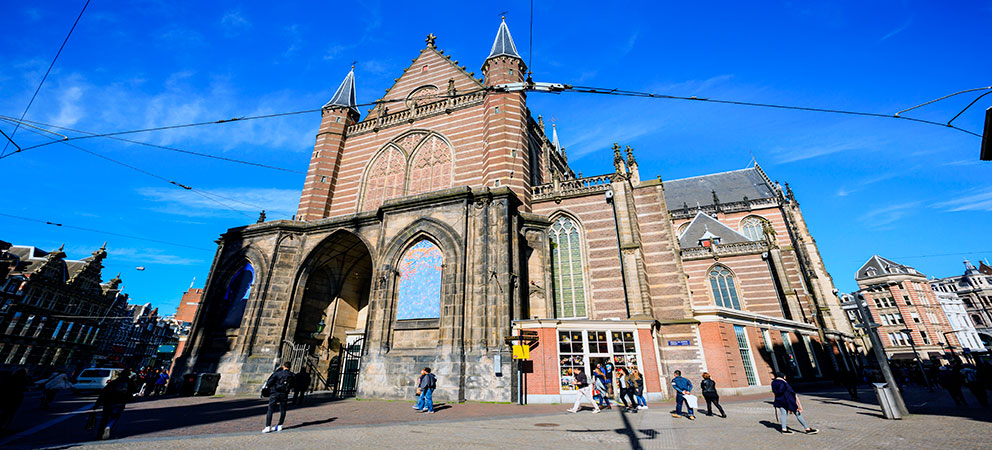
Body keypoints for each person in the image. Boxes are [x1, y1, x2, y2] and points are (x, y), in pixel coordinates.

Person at [94, 368, 137, 440]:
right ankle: (109, 426)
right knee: (115, 416)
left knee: (104, 418)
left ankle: (99, 434)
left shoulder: (114, 382)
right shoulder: (130, 382)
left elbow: (104, 392)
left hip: (108, 402)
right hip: (120, 402)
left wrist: (97, 404)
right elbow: (135, 390)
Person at [262, 362, 294, 433]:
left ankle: (267, 426)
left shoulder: (278, 373)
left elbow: (269, 382)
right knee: (283, 409)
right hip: (284, 394)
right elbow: (293, 384)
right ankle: (280, 425)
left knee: (270, 409)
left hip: (275, 392)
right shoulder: (292, 375)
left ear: (283, 366)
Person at [0, 369, 29, 434]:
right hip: (16, 397)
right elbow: (24, 388)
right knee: (10, 412)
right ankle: (3, 425)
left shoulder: (10, 377)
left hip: (5, 396)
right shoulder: (23, 379)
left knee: (4, 410)